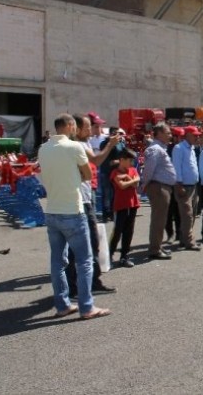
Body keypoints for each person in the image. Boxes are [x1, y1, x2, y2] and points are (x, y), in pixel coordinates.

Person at [38, 113, 110, 320]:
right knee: (84, 260)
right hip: (73, 210)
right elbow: (88, 174)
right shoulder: (75, 147)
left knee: (57, 261)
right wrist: (73, 175)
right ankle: (87, 306)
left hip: (52, 209)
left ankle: (62, 304)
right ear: (70, 126)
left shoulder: (43, 148)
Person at [64, 114, 119, 297]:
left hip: (88, 196)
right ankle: (73, 286)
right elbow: (95, 161)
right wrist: (110, 145)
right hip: (80, 200)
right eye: (87, 128)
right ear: (77, 129)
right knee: (80, 244)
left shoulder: (84, 143)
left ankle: (92, 281)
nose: (91, 131)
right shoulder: (77, 145)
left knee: (92, 243)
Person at [140, 123, 176, 260]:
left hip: (162, 187)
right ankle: (154, 249)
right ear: (159, 134)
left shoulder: (160, 148)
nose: (170, 135)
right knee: (158, 220)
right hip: (158, 188)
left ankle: (157, 246)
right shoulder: (155, 149)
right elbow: (148, 170)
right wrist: (144, 185)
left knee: (161, 219)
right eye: (167, 133)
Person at [108, 148, 141, 267]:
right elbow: (121, 186)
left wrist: (129, 179)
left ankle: (124, 256)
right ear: (122, 160)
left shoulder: (132, 170)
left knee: (129, 231)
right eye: (129, 160)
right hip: (120, 205)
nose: (132, 163)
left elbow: (137, 181)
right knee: (118, 231)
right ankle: (109, 255)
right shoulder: (115, 172)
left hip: (133, 204)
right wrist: (130, 180)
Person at [171, 126, 202, 251]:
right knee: (187, 214)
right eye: (195, 135)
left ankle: (184, 240)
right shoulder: (179, 148)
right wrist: (179, 185)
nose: (197, 137)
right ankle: (189, 241)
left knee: (192, 214)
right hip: (183, 186)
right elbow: (176, 168)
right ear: (187, 135)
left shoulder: (192, 148)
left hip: (193, 186)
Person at [97, 126, 125, 222]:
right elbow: (104, 155)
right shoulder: (104, 143)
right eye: (114, 133)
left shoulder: (121, 144)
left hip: (117, 172)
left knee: (115, 193)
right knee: (106, 194)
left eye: (118, 133)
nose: (117, 135)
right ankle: (105, 214)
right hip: (106, 171)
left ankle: (113, 213)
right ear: (110, 133)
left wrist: (118, 161)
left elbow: (123, 155)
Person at [164, 127, 184, 243]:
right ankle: (170, 234)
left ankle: (179, 233)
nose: (181, 139)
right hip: (168, 184)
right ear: (175, 137)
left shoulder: (183, 149)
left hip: (179, 183)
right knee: (168, 210)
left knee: (179, 210)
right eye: (179, 137)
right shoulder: (167, 149)